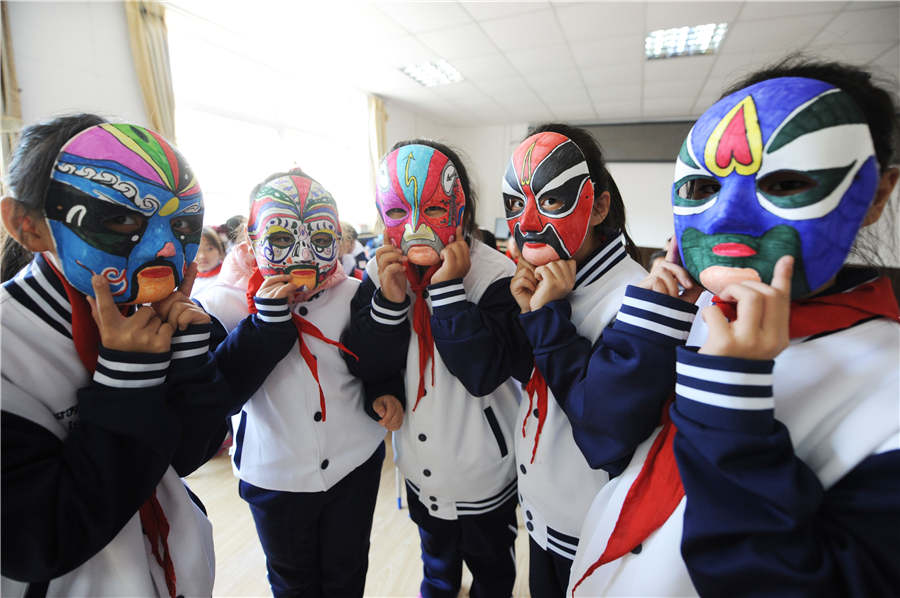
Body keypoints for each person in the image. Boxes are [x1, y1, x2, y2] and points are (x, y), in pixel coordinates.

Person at [568, 58, 900, 596]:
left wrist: (731, 401)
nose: (725, 219)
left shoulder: (888, 396)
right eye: (702, 187)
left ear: (877, 195)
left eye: (787, 182)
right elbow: (602, 438)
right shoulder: (699, 312)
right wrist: (655, 320)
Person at [0, 116, 232, 596]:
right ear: (28, 226)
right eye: (123, 218)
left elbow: (190, 454)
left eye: (184, 224)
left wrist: (188, 351)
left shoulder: (156, 312)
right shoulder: (9, 345)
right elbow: (37, 538)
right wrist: (128, 379)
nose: (167, 247)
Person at [504, 124, 698, 597]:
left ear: (600, 205)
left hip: (593, 530)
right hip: (539, 513)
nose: (527, 222)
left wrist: (547, 319)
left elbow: (605, 432)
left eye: (551, 201)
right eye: (515, 203)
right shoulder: (535, 283)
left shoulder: (638, 298)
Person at [343, 140, 530, 598]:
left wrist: (447, 293)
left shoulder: (496, 277)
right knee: (437, 570)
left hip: (483, 469)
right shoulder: (380, 272)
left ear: (460, 207)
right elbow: (367, 359)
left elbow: (482, 370)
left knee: (492, 573)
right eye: (397, 211)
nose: (415, 227)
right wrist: (388, 312)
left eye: (432, 208)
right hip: (419, 467)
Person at [195, 169, 389, 598]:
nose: (302, 254)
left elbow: (374, 362)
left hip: (354, 463)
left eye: (320, 241)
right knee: (292, 582)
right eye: (282, 238)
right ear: (250, 236)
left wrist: (383, 392)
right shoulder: (220, 305)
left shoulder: (354, 292)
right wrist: (264, 323)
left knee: (348, 573)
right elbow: (216, 396)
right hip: (275, 475)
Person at [192, 225, 225, 296]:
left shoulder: (228, 277)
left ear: (220, 251)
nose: (202, 256)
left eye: (209, 249)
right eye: (195, 250)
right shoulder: (184, 281)